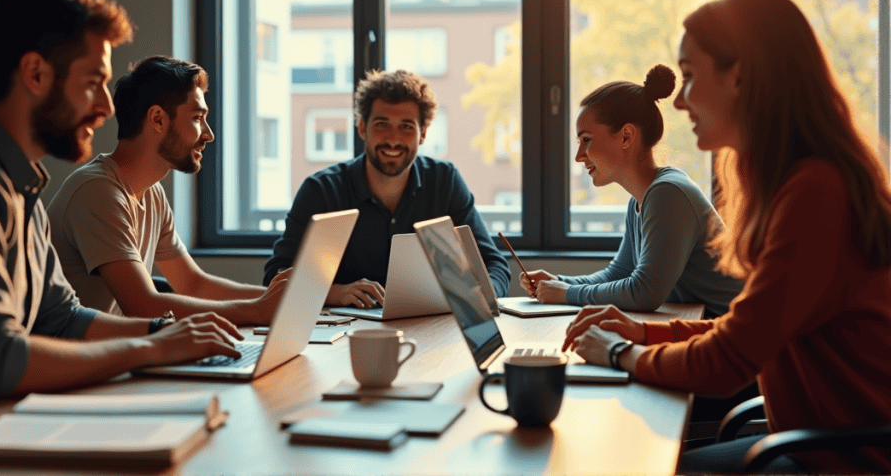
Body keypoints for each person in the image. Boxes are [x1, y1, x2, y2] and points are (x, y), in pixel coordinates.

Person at [0, 0, 242, 445]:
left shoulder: (21, 186)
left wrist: (163, 334)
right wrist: (148, 348)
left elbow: (62, 318)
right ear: (36, 73)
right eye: (93, 82)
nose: (106, 106)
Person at [563, 0, 891, 474]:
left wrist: (620, 353)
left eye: (691, 77)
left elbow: (728, 361)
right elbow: (746, 330)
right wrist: (642, 336)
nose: (678, 103)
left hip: (840, 461)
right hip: (812, 445)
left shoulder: (816, 193)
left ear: (738, 76)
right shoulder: (797, 184)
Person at [47, 56, 290, 325]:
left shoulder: (151, 193)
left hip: (117, 354)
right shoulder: (98, 191)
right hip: (83, 361)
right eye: (198, 118)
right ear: (158, 119)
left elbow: (193, 284)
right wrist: (258, 311)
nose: (208, 134)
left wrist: (281, 300)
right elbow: (143, 305)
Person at [263, 69, 510, 308]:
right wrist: (336, 293)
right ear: (362, 128)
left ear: (422, 134)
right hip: (344, 332)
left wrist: (482, 297)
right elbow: (276, 275)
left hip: (430, 327)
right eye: (382, 124)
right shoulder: (321, 190)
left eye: (406, 127)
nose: (393, 139)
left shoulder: (445, 182)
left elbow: (494, 265)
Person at [521, 65, 744, 317]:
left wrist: (566, 293)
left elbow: (644, 292)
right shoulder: (642, 199)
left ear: (626, 136)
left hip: (730, 337)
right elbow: (619, 273)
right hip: (702, 328)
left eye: (586, 140)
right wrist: (560, 282)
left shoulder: (668, 195)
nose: (579, 156)